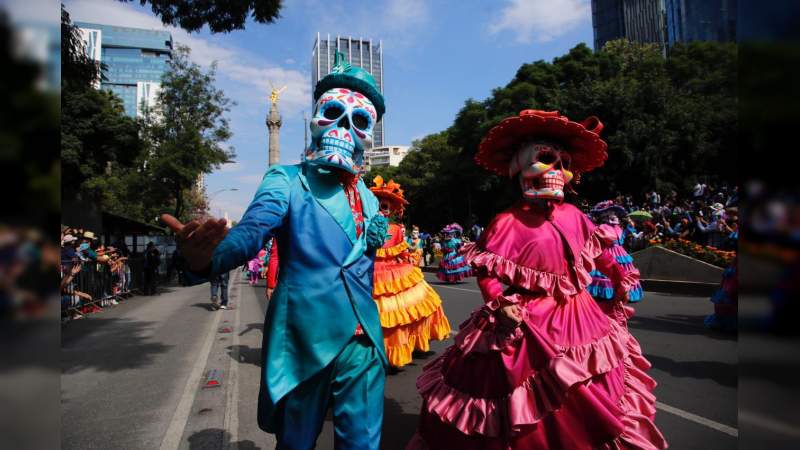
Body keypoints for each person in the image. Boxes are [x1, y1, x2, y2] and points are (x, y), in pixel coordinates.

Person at [161, 51, 390, 449]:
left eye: (360, 121)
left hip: (364, 341)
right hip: (306, 338)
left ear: (368, 133)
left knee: (363, 442)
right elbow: (252, 232)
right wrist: (209, 258)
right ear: (316, 117)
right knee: (296, 442)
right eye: (333, 111)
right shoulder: (286, 180)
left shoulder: (370, 199)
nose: (343, 127)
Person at [408, 110, 666, 449]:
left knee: (593, 385)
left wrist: (620, 273)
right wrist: (499, 305)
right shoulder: (506, 222)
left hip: (582, 316)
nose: (556, 171)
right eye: (546, 160)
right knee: (523, 395)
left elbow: (596, 250)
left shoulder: (575, 215)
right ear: (519, 168)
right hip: (528, 318)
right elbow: (489, 272)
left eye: (563, 163)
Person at [370, 176, 451, 368]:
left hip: (394, 272)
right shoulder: (365, 227)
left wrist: (411, 259)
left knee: (412, 306)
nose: (383, 208)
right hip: (371, 270)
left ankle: (405, 346)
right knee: (385, 313)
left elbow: (403, 251)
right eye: (380, 205)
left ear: (391, 208)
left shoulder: (397, 229)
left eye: (385, 205)